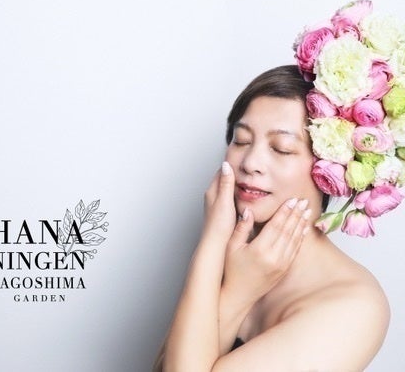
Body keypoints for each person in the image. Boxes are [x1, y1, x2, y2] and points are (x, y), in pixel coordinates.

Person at [153, 65, 390, 372]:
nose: (250, 162)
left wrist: (234, 289)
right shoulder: (234, 257)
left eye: (282, 149)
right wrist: (213, 241)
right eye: (241, 140)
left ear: (331, 168)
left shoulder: (355, 307)